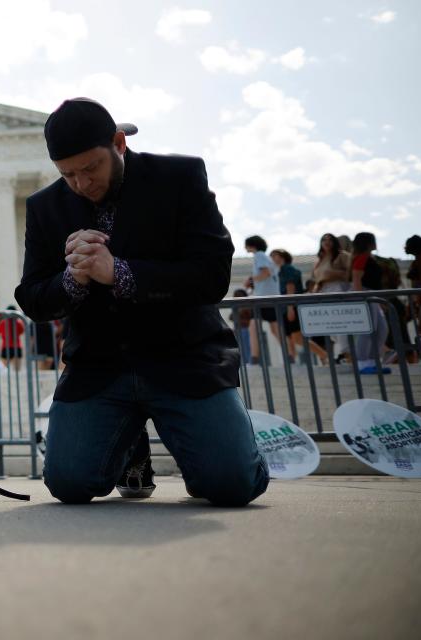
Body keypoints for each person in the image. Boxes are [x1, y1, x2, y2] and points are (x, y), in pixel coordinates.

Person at [16, 97, 268, 507]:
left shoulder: (179, 177)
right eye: (68, 175)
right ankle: (131, 446)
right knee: (68, 484)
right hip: (100, 366)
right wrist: (73, 278)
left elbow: (212, 275)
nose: (81, 183)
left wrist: (119, 272)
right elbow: (33, 298)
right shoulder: (45, 207)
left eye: (90, 168)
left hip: (182, 357)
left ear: (119, 143)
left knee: (232, 485)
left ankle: (224, 448)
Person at [270, 249, 328, 365]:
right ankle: (296, 362)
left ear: (282, 256)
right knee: (292, 338)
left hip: (291, 306)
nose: (272, 258)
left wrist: (290, 307)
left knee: (297, 338)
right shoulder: (281, 271)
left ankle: (325, 356)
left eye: (274, 255)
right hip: (287, 307)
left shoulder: (287, 268)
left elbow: (290, 286)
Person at [350, 232, 390, 374]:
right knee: (367, 329)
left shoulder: (369, 258)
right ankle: (362, 362)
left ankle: (373, 360)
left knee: (382, 329)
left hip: (372, 295)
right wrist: (362, 297)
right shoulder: (362, 258)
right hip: (365, 294)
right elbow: (356, 278)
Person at [244, 235, 280, 365]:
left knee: (253, 327)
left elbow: (265, 273)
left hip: (264, 298)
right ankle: (290, 356)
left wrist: (251, 280)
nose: (244, 247)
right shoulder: (266, 257)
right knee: (275, 330)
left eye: (246, 244)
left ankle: (254, 359)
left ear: (251, 245)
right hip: (270, 297)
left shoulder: (259, 255)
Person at [0, 305, 26, 370]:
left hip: (6, 347)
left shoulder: (3, 322)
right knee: (17, 372)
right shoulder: (18, 323)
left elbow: (0, 332)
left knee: (3, 369)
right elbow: (22, 331)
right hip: (17, 347)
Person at [230, 289, 253, 365]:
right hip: (238, 330)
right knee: (239, 348)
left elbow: (247, 317)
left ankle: (248, 362)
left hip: (245, 330)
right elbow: (231, 317)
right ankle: (243, 362)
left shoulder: (247, 307)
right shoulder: (236, 307)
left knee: (246, 347)